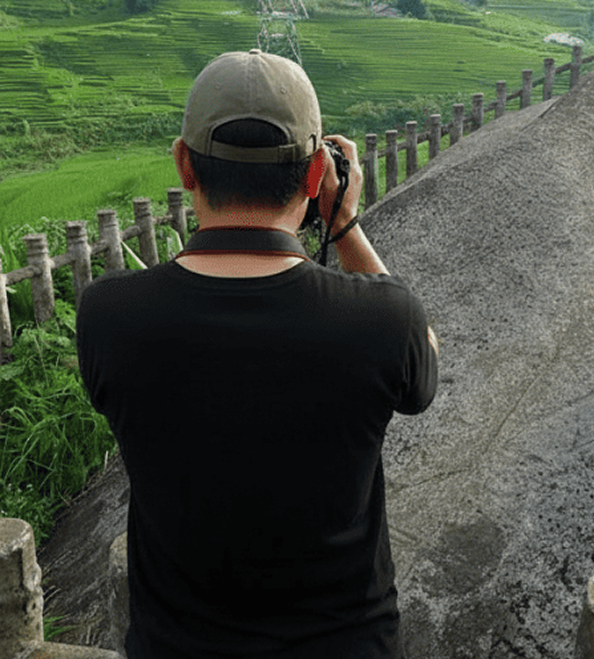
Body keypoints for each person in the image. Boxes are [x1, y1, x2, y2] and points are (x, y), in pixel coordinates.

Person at [76, 49, 439, 659]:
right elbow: (423, 370)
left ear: (184, 165)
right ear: (317, 173)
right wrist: (344, 225)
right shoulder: (384, 318)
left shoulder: (109, 316)